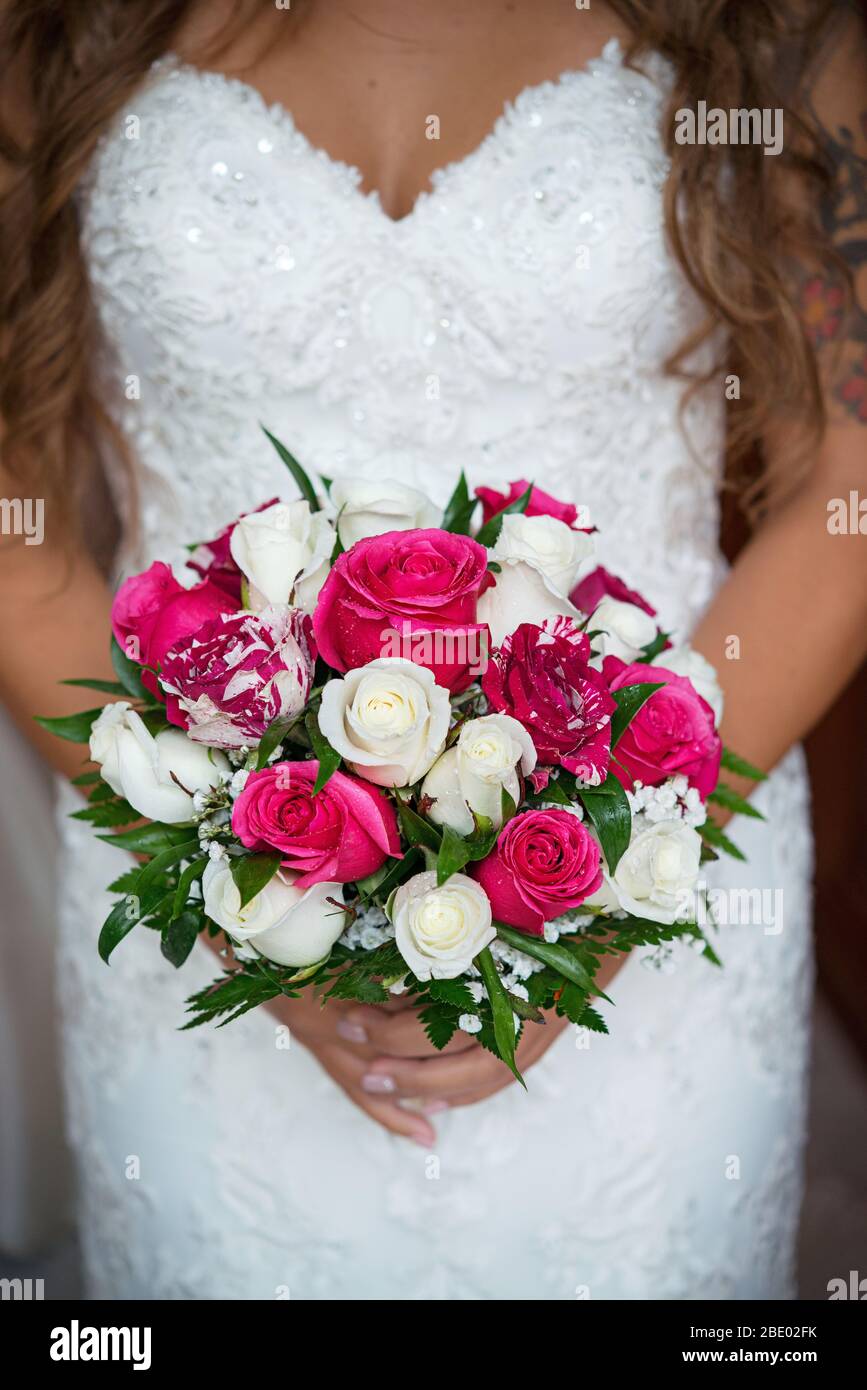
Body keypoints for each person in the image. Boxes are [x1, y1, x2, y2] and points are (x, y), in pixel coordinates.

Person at [1, 0, 865, 1299]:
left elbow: (846, 489)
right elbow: (19, 528)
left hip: (658, 891)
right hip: (197, 907)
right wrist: (229, 892)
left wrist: (616, 873)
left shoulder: (776, 25)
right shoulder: (51, 29)